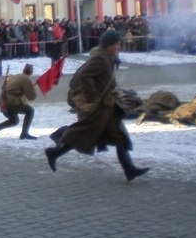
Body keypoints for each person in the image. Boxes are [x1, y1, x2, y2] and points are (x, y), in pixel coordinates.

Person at [45, 30, 150, 181]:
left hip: (108, 105)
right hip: (101, 106)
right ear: (108, 46)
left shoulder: (106, 57)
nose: (118, 47)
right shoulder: (100, 59)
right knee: (84, 133)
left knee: (118, 135)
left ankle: (129, 169)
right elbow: (84, 75)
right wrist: (92, 95)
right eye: (116, 45)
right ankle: (54, 153)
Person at [0, 63, 38, 140]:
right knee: (30, 111)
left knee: (14, 120)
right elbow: (31, 97)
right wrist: (32, 88)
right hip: (11, 102)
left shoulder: (14, 76)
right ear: (31, 72)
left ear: (23, 70)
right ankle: (24, 133)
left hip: (3, 100)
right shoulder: (26, 79)